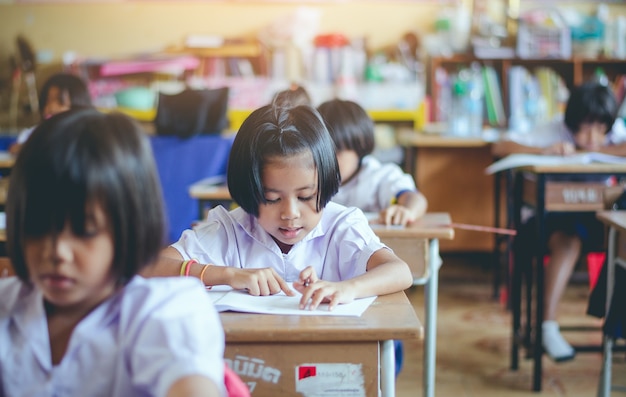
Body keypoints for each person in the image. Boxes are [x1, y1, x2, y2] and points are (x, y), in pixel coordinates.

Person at [0, 109, 226, 397]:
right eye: (38, 225)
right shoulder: (6, 308)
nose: (56, 251)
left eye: (84, 230)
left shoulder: (163, 311)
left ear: (129, 224)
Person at [143, 104, 413, 310]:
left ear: (327, 183)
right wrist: (228, 275)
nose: (291, 213)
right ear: (249, 191)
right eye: (272, 199)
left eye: (306, 196)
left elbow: (399, 271)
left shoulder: (341, 226)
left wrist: (346, 288)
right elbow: (152, 267)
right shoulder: (231, 230)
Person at [493, 80, 626, 362]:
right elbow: (501, 146)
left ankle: (615, 321)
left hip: (595, 220)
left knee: (621, 234)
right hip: (547, 221)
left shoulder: (614, 135)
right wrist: (544, 152)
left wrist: (590, 153)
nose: (594, 136)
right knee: (568, 240)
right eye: (586, 127)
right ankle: (547, 326)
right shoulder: (552, 131)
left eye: (601, 128)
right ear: (572, 122)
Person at [317, 98, 428, 226]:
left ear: (360, 145)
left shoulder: (378, 177)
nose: (326, 160)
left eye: (336, 152)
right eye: (320, 153)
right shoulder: (311, 181)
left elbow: (415, 199)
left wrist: (406, 211)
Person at [9, 72, 93, 155]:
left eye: (60, 101)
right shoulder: (34, 133)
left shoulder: (85, 138)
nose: (51, 107)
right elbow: (15, 149)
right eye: (48, 100)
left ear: (78, 106)